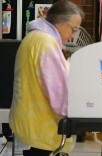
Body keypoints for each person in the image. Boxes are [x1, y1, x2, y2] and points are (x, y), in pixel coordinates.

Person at [9, 1, 85, 156]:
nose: (72, 36)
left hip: (31, 129)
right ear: (59, 22)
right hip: (43, 134)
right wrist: (78, 117)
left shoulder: (34, 37)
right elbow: (58, 91)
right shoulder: (46, 43)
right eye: (73, 29)